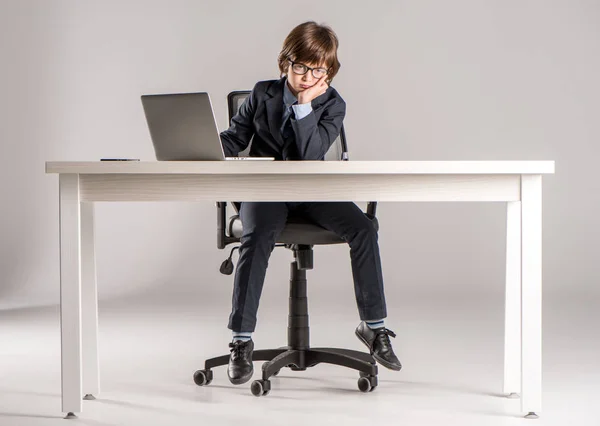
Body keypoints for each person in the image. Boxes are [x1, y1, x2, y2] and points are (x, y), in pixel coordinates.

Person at [219, 21, 401, 385]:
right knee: (256, 235)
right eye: (300, 66)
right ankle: (241, 339)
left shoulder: (333, 104)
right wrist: (199, 150)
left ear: (328, 73)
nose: (306, 76)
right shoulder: (262, 94)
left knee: (363, 228)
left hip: (314, 191)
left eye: (318, 70)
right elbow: (233, 139)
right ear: (286, 63)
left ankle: (374, 326)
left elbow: (310, 154)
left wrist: (305, 106)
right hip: (267, 191)